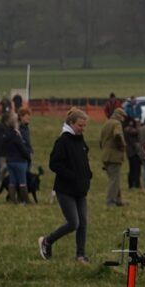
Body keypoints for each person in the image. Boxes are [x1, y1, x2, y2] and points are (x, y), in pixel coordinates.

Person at [38, 108, 92, 263]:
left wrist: (88, 174)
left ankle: (80, 255)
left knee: (83, 223)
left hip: (80, 189)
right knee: (73, 223)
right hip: (65, 189)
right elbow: (54, 164)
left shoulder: (80, 139)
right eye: (80, 125)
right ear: (71, 123)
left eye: (84, 126)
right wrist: (72, 176)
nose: (82, 128)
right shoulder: (62, 141)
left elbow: (83, 159)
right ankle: (47, 241)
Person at [98, 106, 126, 207]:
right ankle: (111, 201)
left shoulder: (107, 123)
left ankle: (118, 200)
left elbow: (101, 140)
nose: (123, 119)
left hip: (106, 155)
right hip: (114, 156)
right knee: (114, 180)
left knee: (114, 178)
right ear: (119, 116)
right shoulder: (116, 123)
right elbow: (117, 134)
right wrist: (122, 146)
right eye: (123, 117)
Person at [0, 115, 32, 203]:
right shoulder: (16, 135)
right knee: (22, 182)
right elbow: (22, 148)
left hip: (10, 160)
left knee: (12, 181)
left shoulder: (6, 134)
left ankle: (12, 199)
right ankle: (26, 199)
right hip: (20, 161)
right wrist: (28, 156)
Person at [122, 115, 143, 190]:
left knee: (133, 169)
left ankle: (132, 184)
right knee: (135, 169)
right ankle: (136, 184)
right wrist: (138, 125)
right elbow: (137, 132)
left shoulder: (125, 129)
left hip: (130, 151)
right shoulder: (129, 130)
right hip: (133, 152)